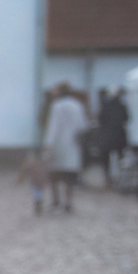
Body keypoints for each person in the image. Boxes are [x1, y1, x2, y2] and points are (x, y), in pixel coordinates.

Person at [42, 83, 88, 212]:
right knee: (69, 176)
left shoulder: (57, 106)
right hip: (73, 145)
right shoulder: (77, 105)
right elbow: (83, 126)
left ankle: (56, 200)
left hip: (58, 145)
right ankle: (68, 201)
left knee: (54, 174)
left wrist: (48, 144)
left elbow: (53, 127)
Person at [95, 89, 130, 186]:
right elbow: (126, 118)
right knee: (120, 158)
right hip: (119, 135)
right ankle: (122, 178)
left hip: (107, 136)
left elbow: (100, 119)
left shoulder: (105, 106)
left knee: (106, 159)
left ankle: (108, 179)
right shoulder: (122, 106)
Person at [19, 150, 49, 215]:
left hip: (35, 181)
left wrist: (21, 179)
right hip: (42, 181)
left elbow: (25, 170)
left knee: (36, 194)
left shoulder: (31, 162)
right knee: (40, 194)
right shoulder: (44, 162)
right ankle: (39, 207)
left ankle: (37, 208)